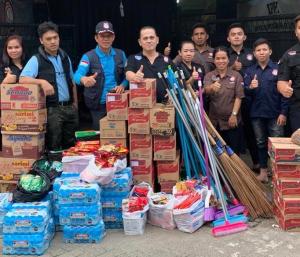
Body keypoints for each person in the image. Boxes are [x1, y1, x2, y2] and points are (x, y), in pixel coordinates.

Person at [19, 21, 78, 151]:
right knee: (54, 146)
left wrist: (75, 105)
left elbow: (72, 82)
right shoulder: (36, 59)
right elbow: (22, 79)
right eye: (48, 39)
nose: (53, 42)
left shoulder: (65, 57)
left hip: (69, 108)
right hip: (52, 110)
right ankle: (54, 170)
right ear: (41, 40)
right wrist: (42, 82)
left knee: (72, 147)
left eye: (55, 37)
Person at [244, 38, 288, 182]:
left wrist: (283, 112)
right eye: (258, 50)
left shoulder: (278, 68)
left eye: (264, 49)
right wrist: (251, 87)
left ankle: (277, 174)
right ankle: (263, 172)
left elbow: (285, 93)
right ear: (254, 53)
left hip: (276, 114)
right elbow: (244, 93)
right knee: (261, 143)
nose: (261, 52)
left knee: (278, 144)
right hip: (256, 114)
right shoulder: (250, 71)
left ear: (270, 51)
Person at [74, 21, 128, 130]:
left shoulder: (120, 54)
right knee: (100, 133)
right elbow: (76, 75)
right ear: (96, 38)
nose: (106, 39)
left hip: (117, 101)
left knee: (119, 133)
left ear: (113, 37)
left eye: (109, 36)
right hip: (97, 103)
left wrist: (122, 85)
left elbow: (128, 75)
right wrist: (83, 79)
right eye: (102, 36)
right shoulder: (88, 56)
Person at [227, 22, 259, 172]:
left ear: (244, 37)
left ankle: (257, 163)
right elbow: (216, 71)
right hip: (230, 100)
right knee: (234, 132)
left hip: (249, 98)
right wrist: (231, 68)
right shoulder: (224, 54)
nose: (236, 37)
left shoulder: (252, 54)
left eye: (239, 34)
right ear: (228, 38)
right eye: (233, 34)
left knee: (252, 131)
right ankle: (235, 167)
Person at [204, 46, 244, 154]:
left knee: (233, 153)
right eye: (218, 58)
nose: (221, 61)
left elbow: (239, 97)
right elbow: (205, 90)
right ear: (214, 60)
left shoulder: (236, 76)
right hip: (215, 123)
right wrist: (211, 88)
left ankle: (234, 171)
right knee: (218, 155)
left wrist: (234, 115)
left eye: (223, 58)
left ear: (228, 59)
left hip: (232, 121)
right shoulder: (209, 76)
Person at [125, 26, 174, 103]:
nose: (149, 41)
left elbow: (178, 79)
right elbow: (128, 74)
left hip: (165, 106)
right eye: (145, 38)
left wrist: (174, 91)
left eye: (152, 37)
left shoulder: (167, 60)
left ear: (157, 40)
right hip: (142, 106)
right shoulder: (133, 58)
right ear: (139, 42)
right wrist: (135, 77)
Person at [278, 15, 300, 132]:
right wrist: (284, 89)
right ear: (296, 32)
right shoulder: (288, 55)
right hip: (297, 108)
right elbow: (281, 82)